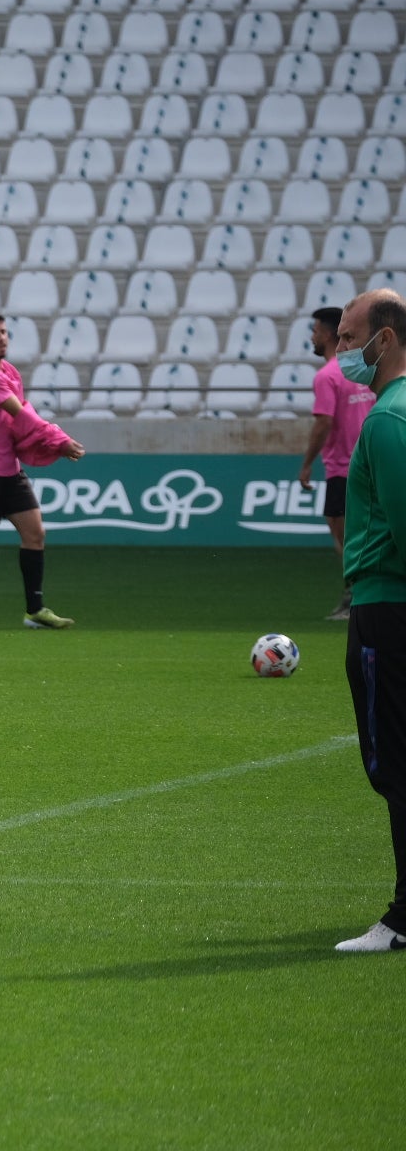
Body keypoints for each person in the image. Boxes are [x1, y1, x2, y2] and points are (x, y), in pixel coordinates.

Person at [332, 289, 406, 953]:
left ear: (386, 340)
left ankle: (405, 917)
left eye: (350, 340)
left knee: (395, 764)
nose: (340, 353)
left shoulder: (389, 420)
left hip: (388, 608)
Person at [0, 310, 87, 632]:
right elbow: (19, 412)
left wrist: (46, 443)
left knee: (35, 534)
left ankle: (34, 610)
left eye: (4, 332)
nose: (1, 338)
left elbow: (20, 421)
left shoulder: (7, 370)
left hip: (9, 468)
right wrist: (58, 440)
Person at [299, 305, 376, 620]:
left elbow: (324, 423)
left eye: (315, 330)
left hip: (343, 468)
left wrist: (306, 464)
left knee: (343, 538)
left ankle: (356, 598)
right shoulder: (360, 370)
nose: (313, 336)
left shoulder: (327, 375)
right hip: (370, 463)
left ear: (328, 334)